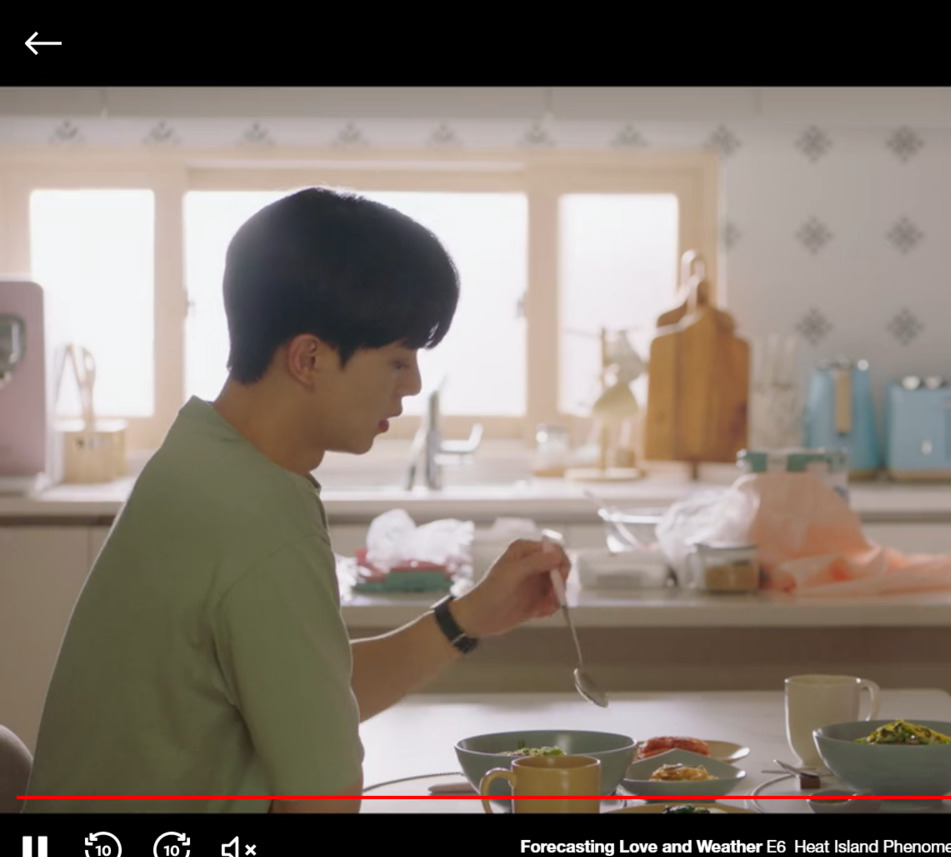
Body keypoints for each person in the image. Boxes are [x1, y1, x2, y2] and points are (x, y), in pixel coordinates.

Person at [23, 187, 570, 813]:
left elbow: (303, 694)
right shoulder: (257, 520)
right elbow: (326, 803)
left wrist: (467, 616)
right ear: (309, 358)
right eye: (396, 359)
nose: (413, 383)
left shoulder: (202, 456)